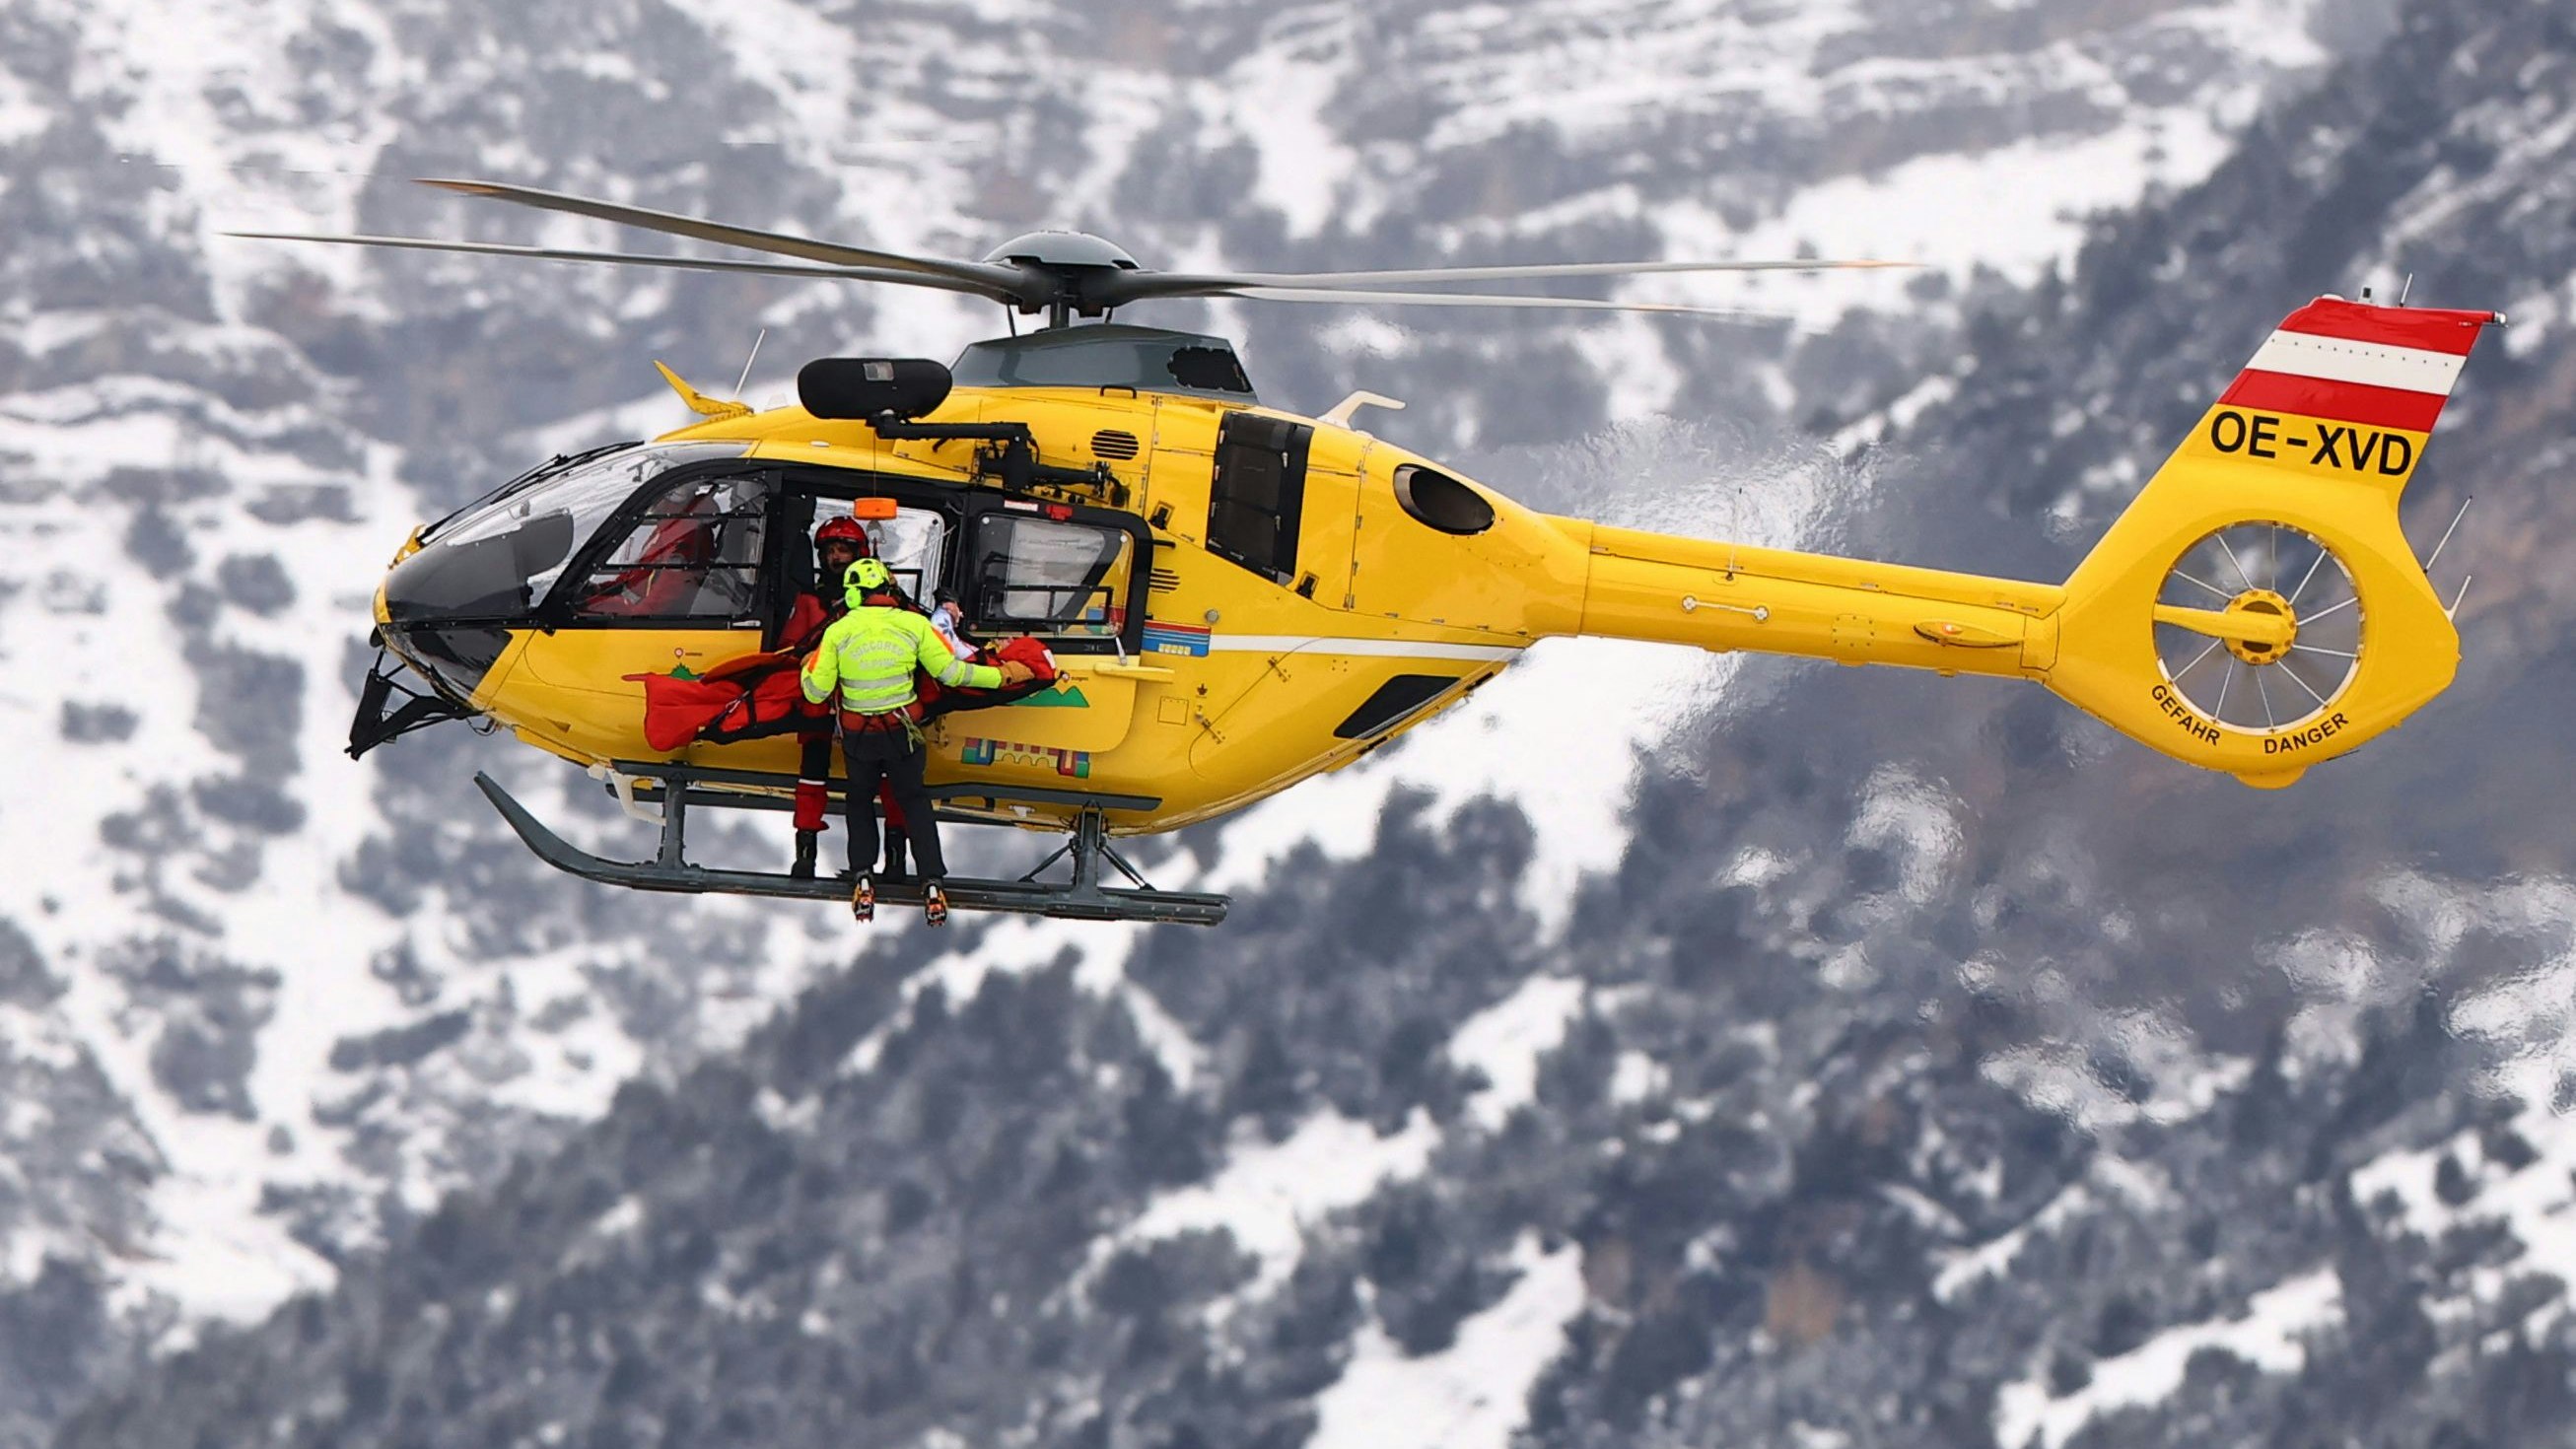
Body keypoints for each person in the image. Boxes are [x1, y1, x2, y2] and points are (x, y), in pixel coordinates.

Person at [802, 558, 1036, 924]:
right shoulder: (913, 625)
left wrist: (807, 667)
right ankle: (931, 880)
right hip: (902, 734)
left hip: (859, 739)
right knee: (914, 801)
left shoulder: (837, 632)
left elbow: (816, 692)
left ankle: (863, 873)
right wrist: (1003, 677)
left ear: (853, 593)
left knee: (860, 801)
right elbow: (952, 672)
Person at [788, 516, 874, 877]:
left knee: (879, 779)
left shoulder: (879, 600)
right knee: (811, 774)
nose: (837, 558)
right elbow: (790, 645)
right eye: (831, 552)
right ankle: (805, 851)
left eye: (843, 551)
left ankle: (893, 856)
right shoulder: (811, 601)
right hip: (822, 703)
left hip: (866, 703)